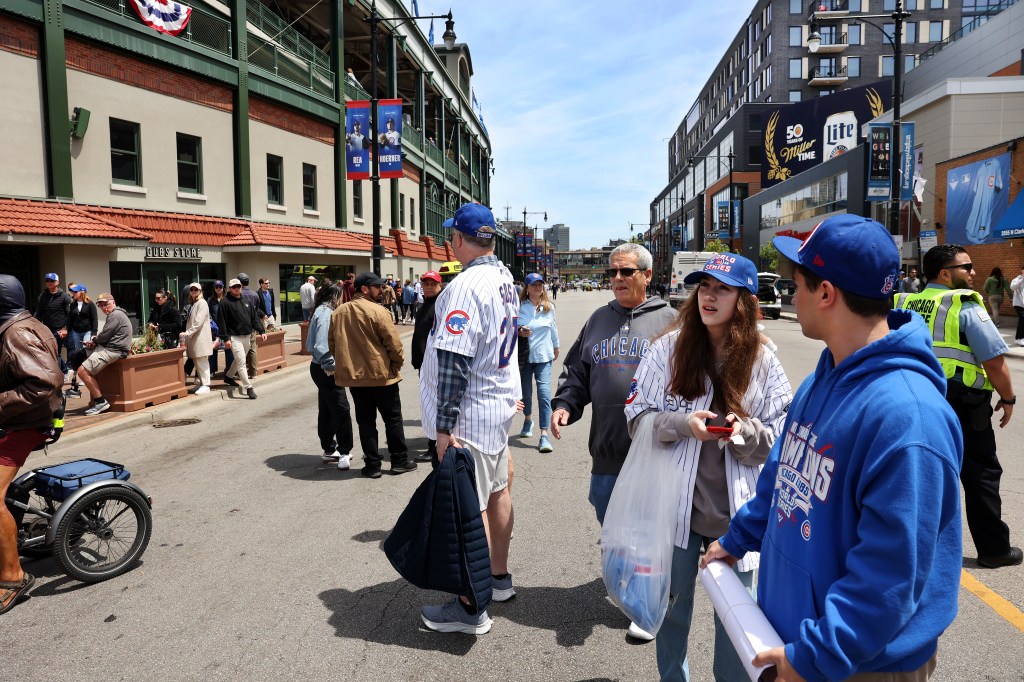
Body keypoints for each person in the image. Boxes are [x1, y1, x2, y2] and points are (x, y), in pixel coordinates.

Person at [703, 215, 964, 681]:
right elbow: (783, 475)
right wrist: (736, 538)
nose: (788, 293)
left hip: (860, 662)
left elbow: (889, 577)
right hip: (802, 640)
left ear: (826, 293)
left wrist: (814, 656)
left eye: (796, 282)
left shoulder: (908, 416)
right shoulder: (825, 374)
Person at [625, 253, 792, 682]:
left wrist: (743, 430)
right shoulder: (668, 349)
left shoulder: (764, 359)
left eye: (722, 288)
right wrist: (682, 424)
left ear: (745, 299)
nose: (709, 296)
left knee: (737, 626)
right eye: (704, 286)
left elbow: (784, 434)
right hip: (676, 512)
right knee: (672, 612)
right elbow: (636, 415)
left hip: (738, 517)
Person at [550, 243, 677, 641]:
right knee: (614, 529)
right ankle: (637, 588)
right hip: (607, 447)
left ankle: (647, 605)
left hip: (657, 450)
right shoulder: (597, 320)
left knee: (649, 531)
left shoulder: (672, 321)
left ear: (646, 276)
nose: (618, 279)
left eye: (626, 272)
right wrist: (565, 404)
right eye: (613, 273)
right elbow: (577, 373)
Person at [418, 202, 520, 635]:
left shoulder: (464, 286)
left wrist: (443, 427)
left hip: (468, 415)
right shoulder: (505, 278)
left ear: (459, 239)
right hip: (494, 407)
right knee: (497, 492)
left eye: (451, 236)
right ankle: (497, 579)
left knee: (466, 509)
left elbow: (454, 362)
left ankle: (470, 606)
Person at [895, 245, 1022, 569]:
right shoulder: (963, 305)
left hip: (913, 398)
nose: (973, 273)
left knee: (920, 473)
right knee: (980, 473)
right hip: (962, 403)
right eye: (966, 267)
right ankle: (994, 550)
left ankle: (911, 550)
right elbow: (994, 363)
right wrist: (1007, 399)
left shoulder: (904, 301)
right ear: (945, 273)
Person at [0, 274, 63, 615]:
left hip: (25, 424)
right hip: (17, 420)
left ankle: (13, 576)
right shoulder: (23, 323)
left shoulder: (16, 333)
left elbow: (44, 382)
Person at [329, 272, 413, 478]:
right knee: (392, 419)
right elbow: (394, 345)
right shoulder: (379, 311)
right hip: (382, 376)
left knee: (366, 422)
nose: (382, 290)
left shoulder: (338, 313)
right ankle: (399, 461)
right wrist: (396, 364)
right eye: (378, 287)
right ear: (364, 289)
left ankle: (373, 464)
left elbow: (333, 346)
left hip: (356, 379)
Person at [306, 283, 353, 470]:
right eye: (340, 296)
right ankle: (344, 452)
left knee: (326, 408)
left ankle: (329, 448)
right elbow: (321, 345)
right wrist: (331, 366)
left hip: (317, 366)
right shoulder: (326, 313)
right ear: (334, 296)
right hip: (325, 367)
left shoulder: (319, 310)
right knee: (341, 409)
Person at [516, 273, 560, 453]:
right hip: (525, 357)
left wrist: (556, 347)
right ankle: (528, 420)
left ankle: (544, 434)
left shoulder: (549, 307)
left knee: (543, 393)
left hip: (543, 356)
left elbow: (553, 328)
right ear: (527, 288)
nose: (537, 287)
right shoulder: (519, 307)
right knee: (526, 394)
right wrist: (520, 331)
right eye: (533, 285)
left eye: (540, 284)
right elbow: (511, 328)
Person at [76, 293, 133, 415]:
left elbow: (104, 335)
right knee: (79, 355)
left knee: (82, 371)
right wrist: (94, 343)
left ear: (113, 302)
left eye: (106, 304)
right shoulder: (117, 314)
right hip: (111, 348)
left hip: (113, 350)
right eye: (101, 305)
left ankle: (100, 401)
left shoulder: (115, 315)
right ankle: (75, 388)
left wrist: (94, 340)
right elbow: (105, 337)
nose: (104, 308)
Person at [411, 271, 444, 463]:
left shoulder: (441, 305)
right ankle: (434, 442)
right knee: (429, 404)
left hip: (435, 364)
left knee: (435, 405)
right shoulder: (423, 306)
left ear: (440, 286)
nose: (429, 286)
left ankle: (434, 445)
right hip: (423, 364)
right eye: (426, 283)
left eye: (433, 284)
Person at [217, 278, 266, 400]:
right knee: (242, 363)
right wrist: (226, 338)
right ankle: (249, 388)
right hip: (234, 337)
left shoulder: (246, 300)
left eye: (238, 286)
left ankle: (229, 376)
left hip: (247, 336)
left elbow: (254, 317)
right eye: (234, 287)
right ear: (229, 289)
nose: (237, 289)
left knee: (240, 359)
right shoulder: (225, 302)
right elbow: (221, 322)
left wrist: (261, 330)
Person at [63, 283, 97, 399]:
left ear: (82, 292)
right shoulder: (73, 305)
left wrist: (94, 334)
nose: (73, 293)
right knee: (78, 354)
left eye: (75, 292)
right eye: (72, 292)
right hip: (76, 332)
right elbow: (69, 319)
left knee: (85, 352)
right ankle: (80, 377)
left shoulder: (90, 304)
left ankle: (87, 374)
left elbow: (94, 320)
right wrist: (66, 329)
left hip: (87, 331)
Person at [34, 272, 72, 374]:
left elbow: (70, 314)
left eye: (52, 281)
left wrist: (65, 328)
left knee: (55, 351)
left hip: (59, 330)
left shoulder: (64, 297)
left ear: (57, 282)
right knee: (49, 352)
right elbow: (38, 313)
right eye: (47, 280)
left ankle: (61, 373)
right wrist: (34, 326)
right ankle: (64, 371)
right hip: (46, 329)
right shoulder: (42, 296)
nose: (49, 283)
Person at [179, 283, 213, 395]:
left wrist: (187, 333)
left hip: (200, 338)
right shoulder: (194, 303)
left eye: (196, 289)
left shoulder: (202, 303)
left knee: (202, 362)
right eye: (191, 289)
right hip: (195, 339)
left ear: (200, 291)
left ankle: (206, 385)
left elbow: (198, 322)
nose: (193, 291)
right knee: (197, 362)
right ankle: (201, 384)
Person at [238, 273, 265, 378]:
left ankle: (241, 372)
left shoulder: (237, 294)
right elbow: (256, 309)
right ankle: (253, 373)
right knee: (252, 349)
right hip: (252, 325)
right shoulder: (254, 294)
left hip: (239, 326)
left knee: (240, 350)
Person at [207, 281, 233, 378]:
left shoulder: (227, 299)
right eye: (216, 287)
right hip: (215, 329)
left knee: (228, 348)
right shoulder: (210, 300)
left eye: (220, 287)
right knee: (213, 349)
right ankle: (212, 370)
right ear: (214, 288)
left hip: (226, 328)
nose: (218, 289)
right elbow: (208, 314)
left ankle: (229, 371)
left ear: (223, 288)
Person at [1011, 265, 1024, 347]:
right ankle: (1020, 338)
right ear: (1022, 270)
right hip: (1018, 303)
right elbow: (1012, 287)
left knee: (1022, 320)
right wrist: (1022, 279)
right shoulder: (1017, 279)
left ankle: (1018, 338)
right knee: (1022, 318)